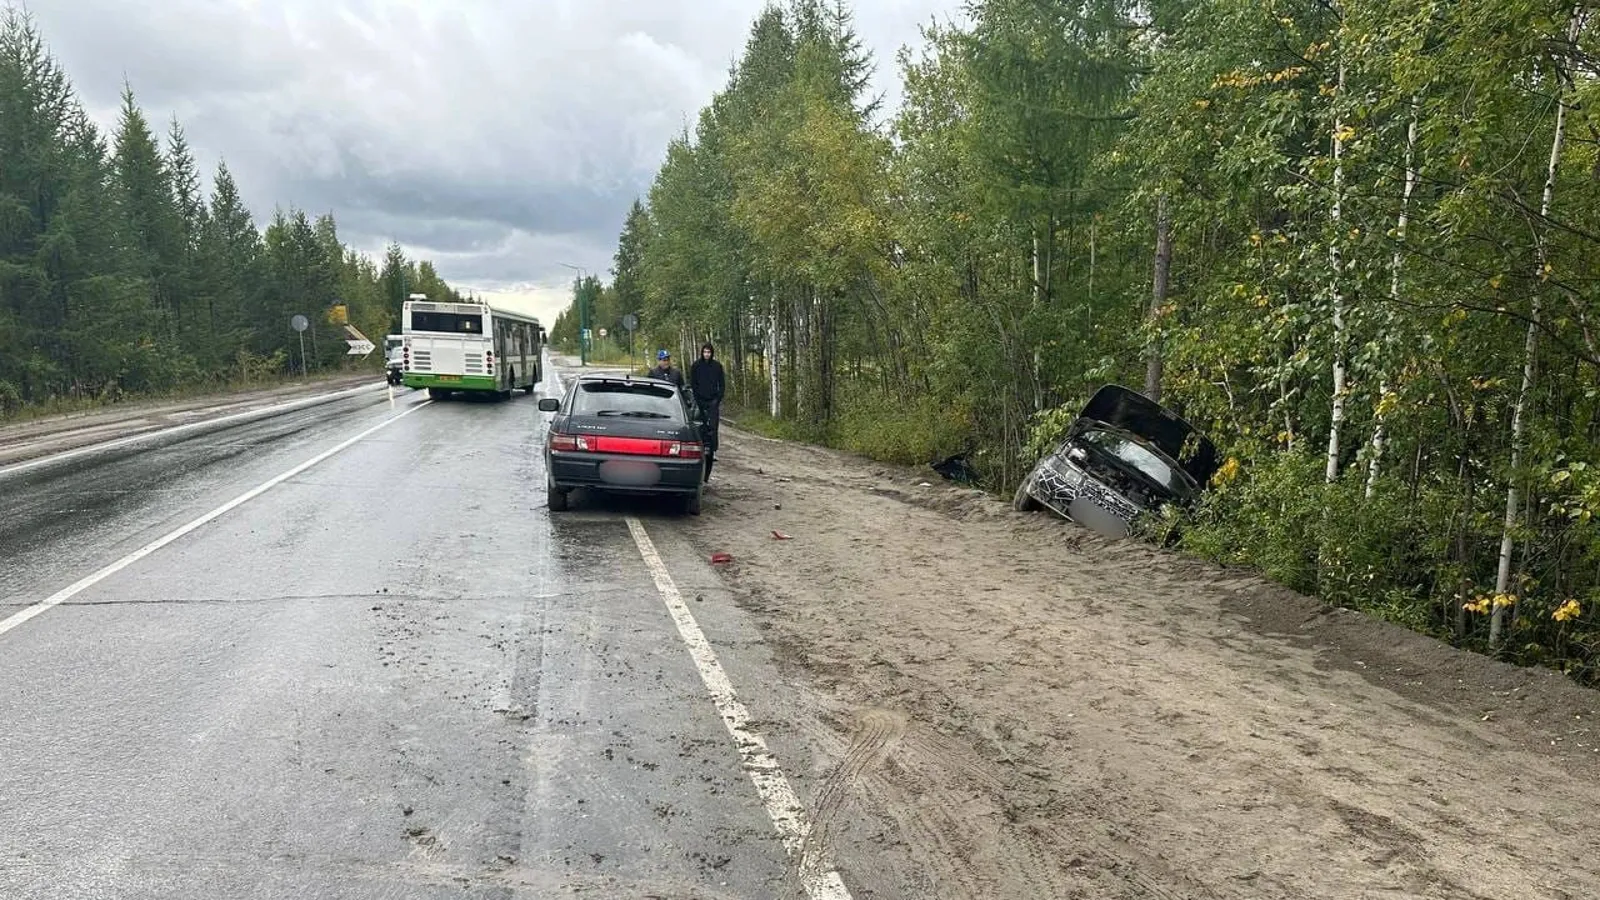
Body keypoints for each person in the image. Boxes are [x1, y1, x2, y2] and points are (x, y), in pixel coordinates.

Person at [689, 342, 725, 481]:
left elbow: (722, 384)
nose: (707, 354)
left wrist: (718, 398)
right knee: (699, 426)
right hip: (699, 401)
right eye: (705, 352)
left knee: (713, 427)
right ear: (701, 352)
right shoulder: (696, 366)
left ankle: (713, 450)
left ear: (712, 353)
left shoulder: (717, 367)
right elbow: (693, 383)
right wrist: (696, 398)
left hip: (712, 401)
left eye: (709, 352)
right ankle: (698, 447)